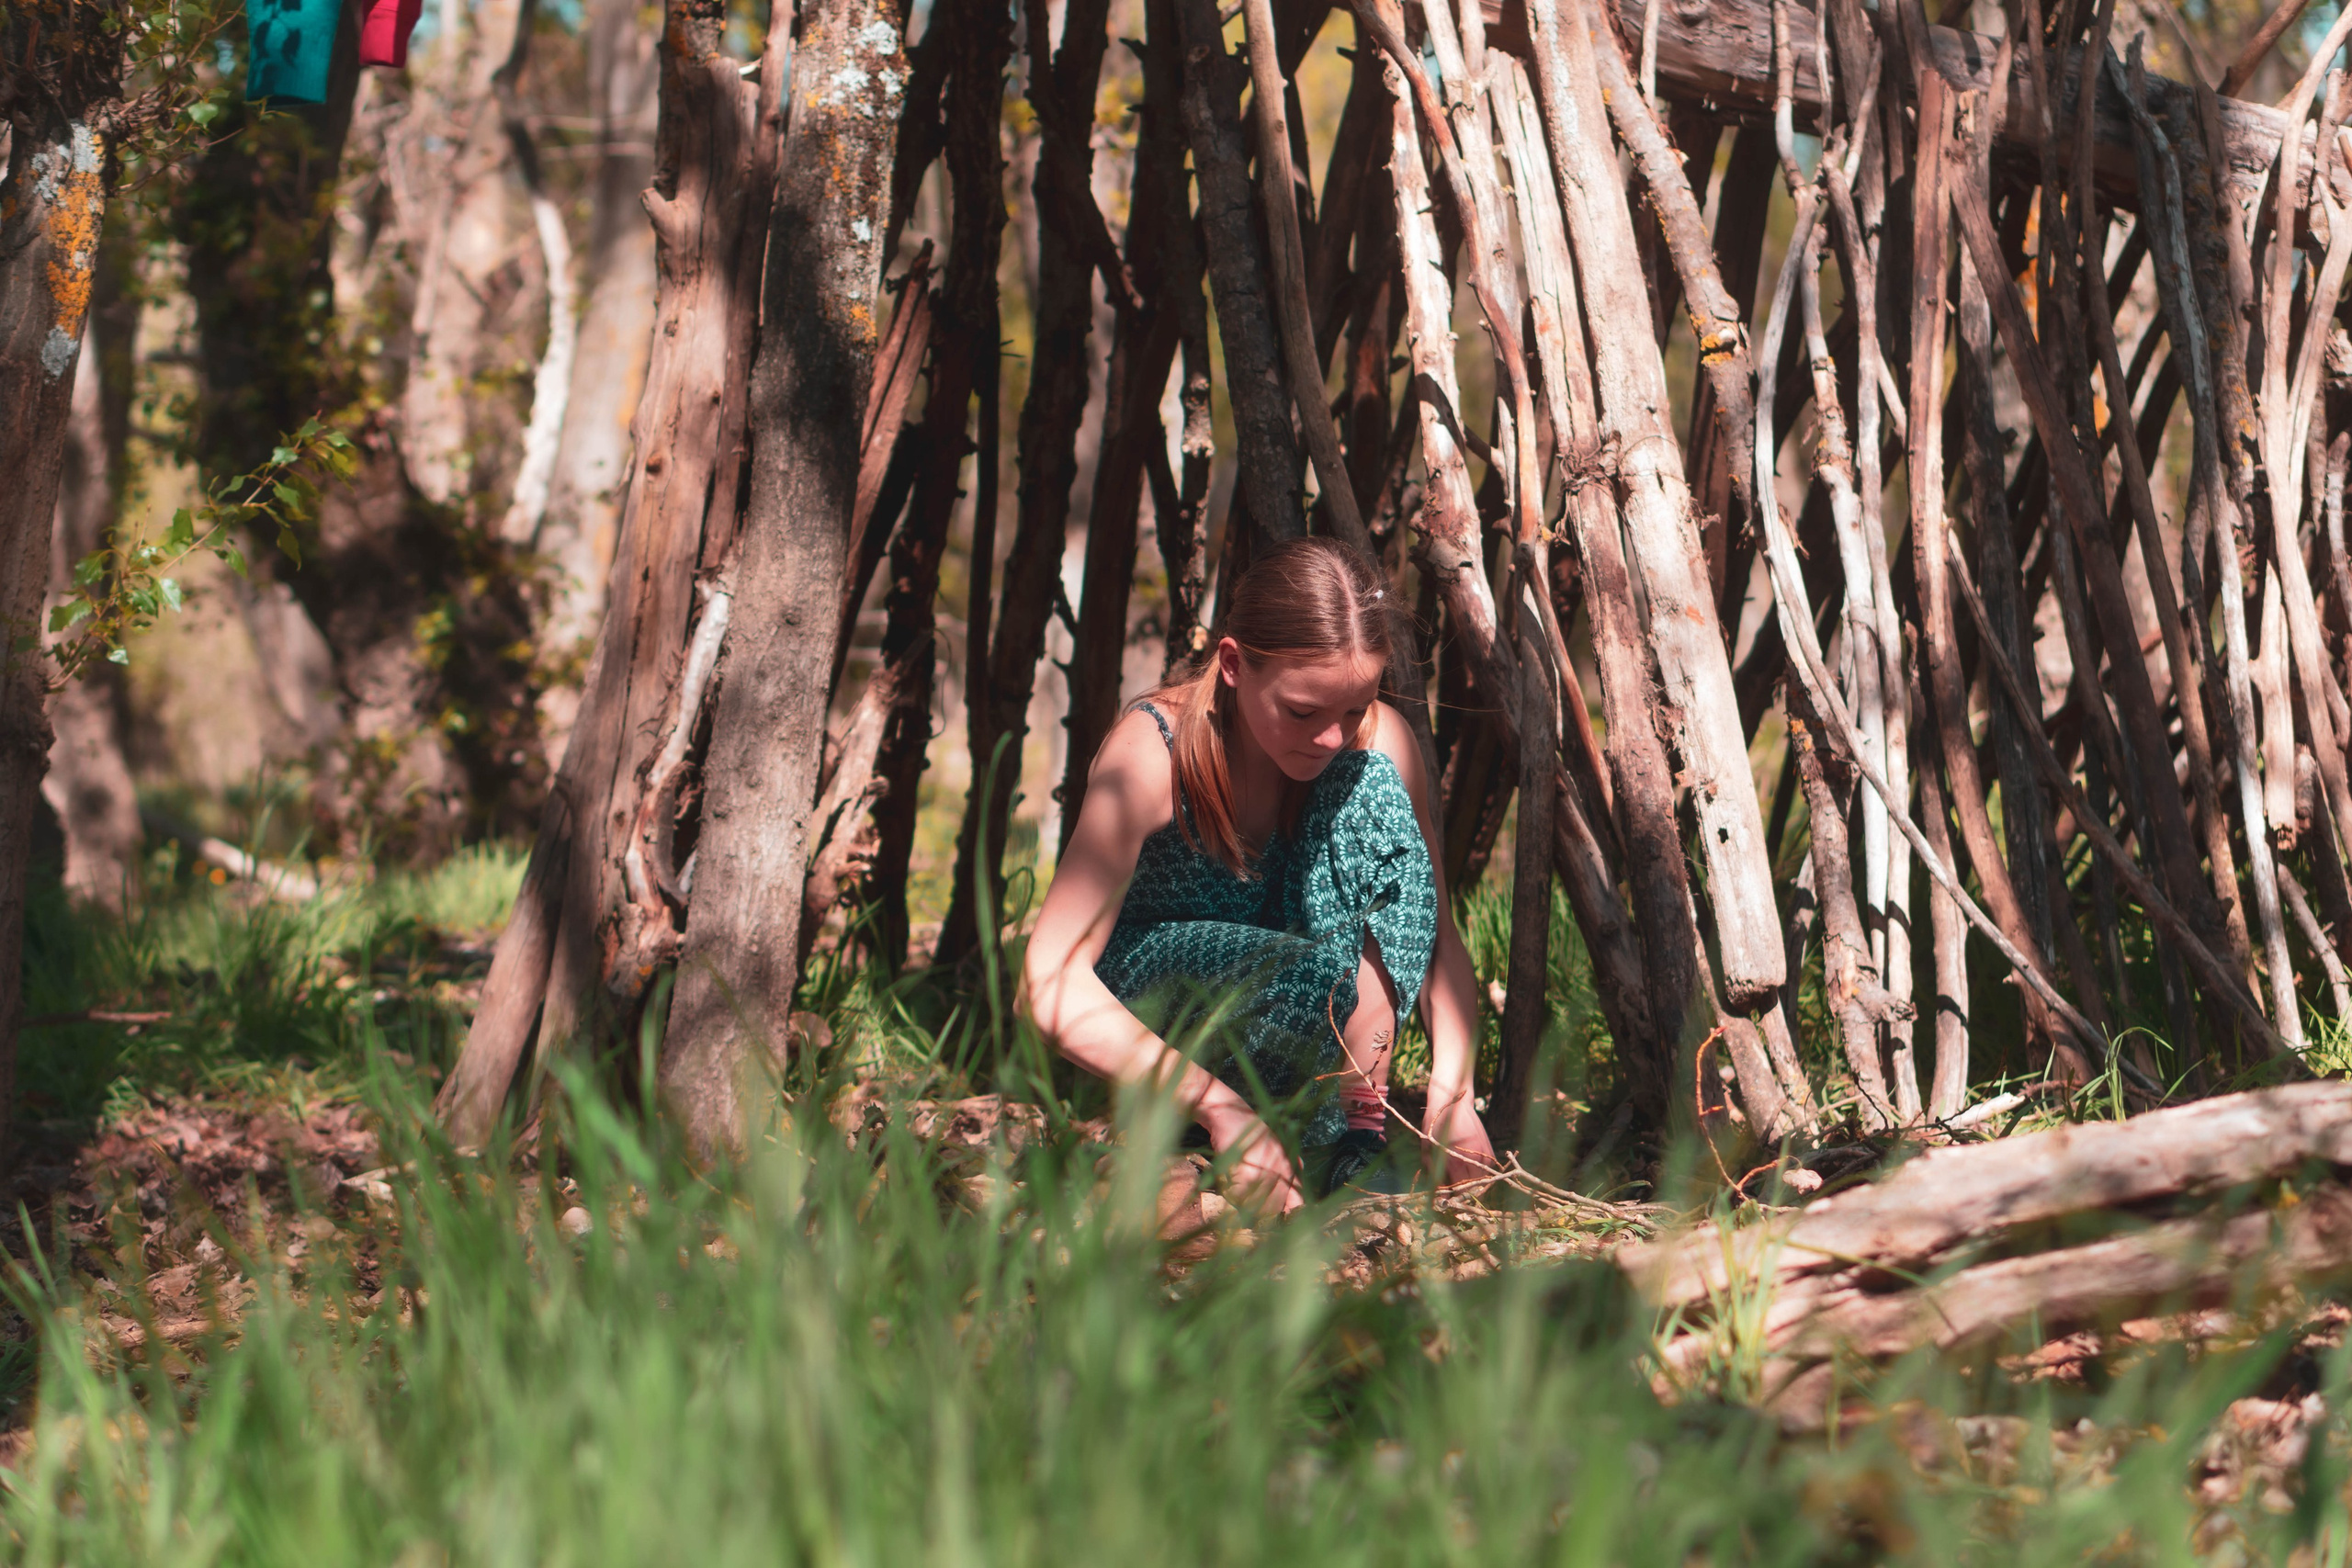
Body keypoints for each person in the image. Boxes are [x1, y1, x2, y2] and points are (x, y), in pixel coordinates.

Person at [1023, 536, 1498, 1213]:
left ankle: (1351, 1139)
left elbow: (1428, 927)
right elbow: (1047, 984)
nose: (1332, 736)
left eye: (1352, 708)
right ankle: (1210, 1133)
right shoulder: (1151, 754)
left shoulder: (1372, 740)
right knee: (1308, 978)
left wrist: (1453, 1093)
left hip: (1314, 1006)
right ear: (1234, 664)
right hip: (1168, 1012)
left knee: (1375, 780)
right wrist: (1217, 1105)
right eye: (1303, 711)